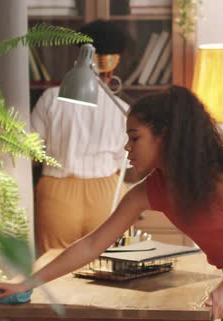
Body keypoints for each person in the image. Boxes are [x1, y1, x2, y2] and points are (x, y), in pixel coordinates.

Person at [0, 86, 223, 321]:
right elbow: (93, 244)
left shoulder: (218, 182)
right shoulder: (147, 192)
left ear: (165, 137)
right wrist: (27, 284)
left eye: (135, 138)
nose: (126, 147)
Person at [31, 20, 141, 256]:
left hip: (57, 193)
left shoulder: (51, 98)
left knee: (53, 268)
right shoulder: (121, 108)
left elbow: (32, 150)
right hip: (107, 194)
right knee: (111, 268)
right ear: (114, 64)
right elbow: (128, 158)